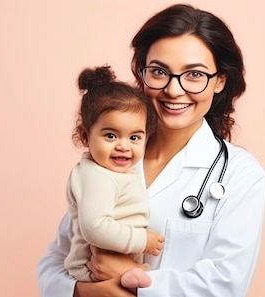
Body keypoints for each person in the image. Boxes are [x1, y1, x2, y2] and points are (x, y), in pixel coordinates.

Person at [37, 3, 265, 297]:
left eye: (194, 74)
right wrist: (84, 292)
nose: (174, 90)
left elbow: (224, 285)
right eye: (159, 71)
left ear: (220, 80)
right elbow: (54, 261)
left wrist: (129, 282)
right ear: (141, 73)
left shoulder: (240, 174)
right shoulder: (112, 156)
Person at [63, 65, 165, 291]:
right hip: (92, 270)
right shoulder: (95, 176)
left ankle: (134, 276)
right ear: (85, 136)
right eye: (110, 135)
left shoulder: (113, 172)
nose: (123, 146)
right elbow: (95, 228)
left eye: (135, 137)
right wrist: (142, 241)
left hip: (118, 265)